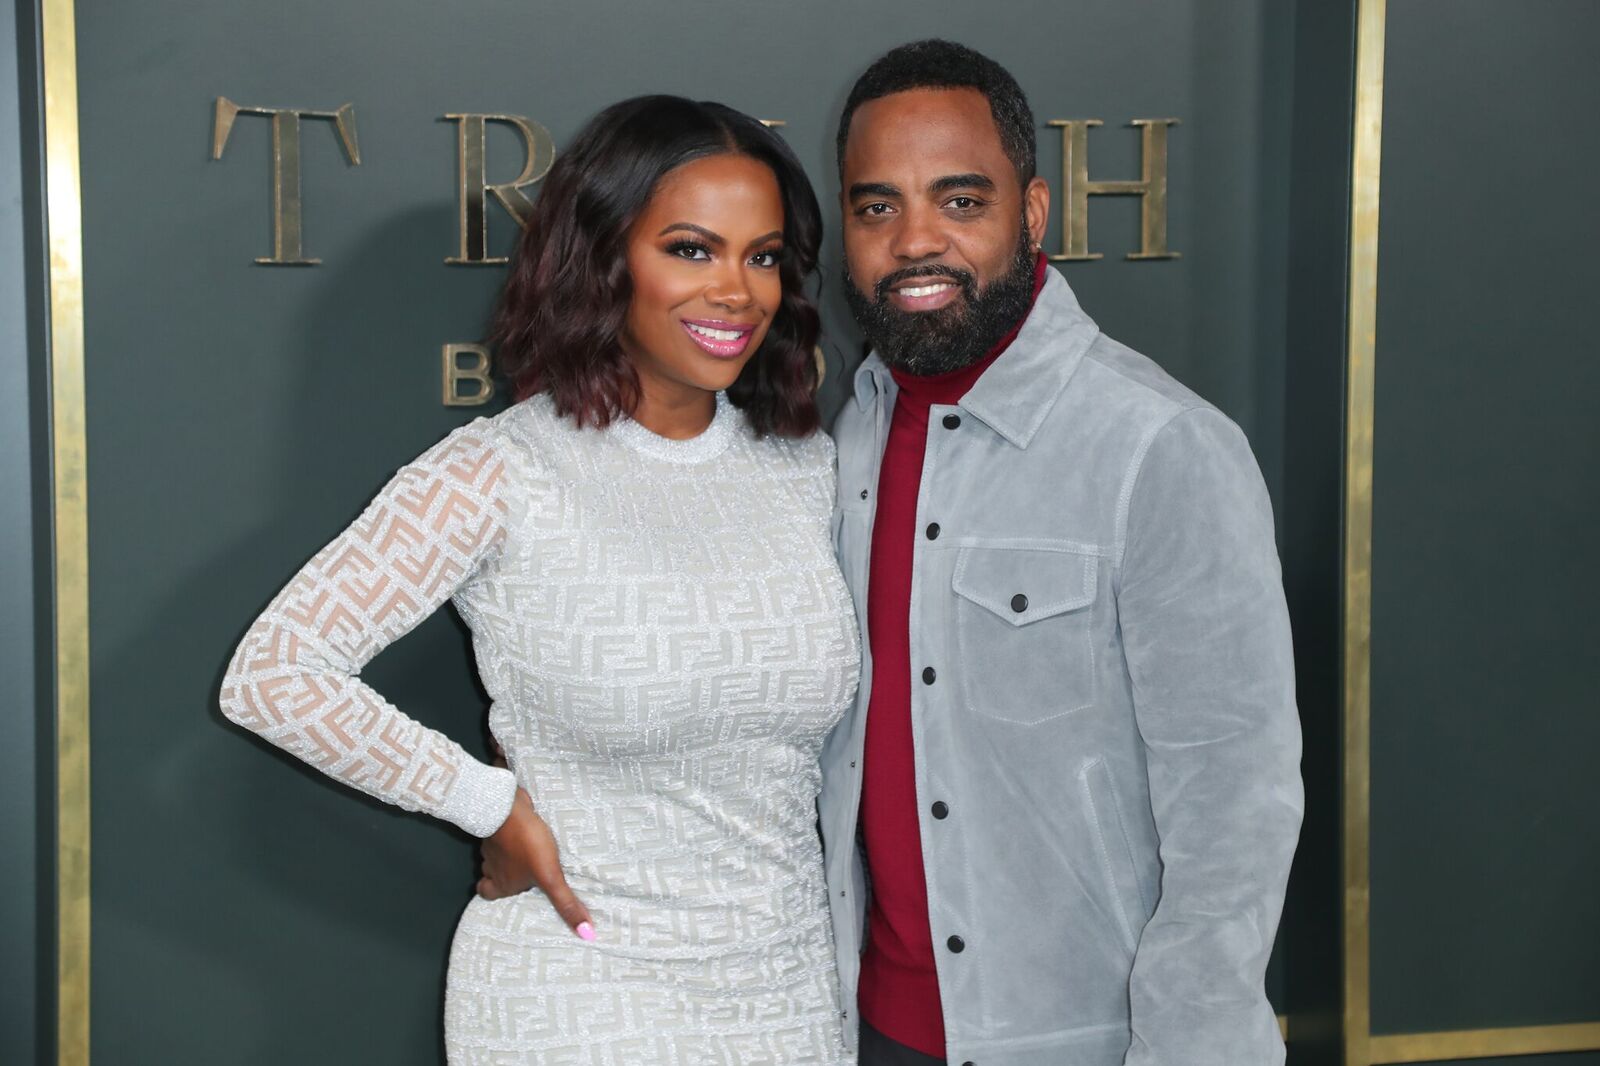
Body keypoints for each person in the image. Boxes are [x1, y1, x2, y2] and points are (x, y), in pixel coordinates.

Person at [220, 95, 859, 1064]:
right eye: (691, 248)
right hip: (578, 986)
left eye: (762, 255)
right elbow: (274, 675)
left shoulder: (808, 470)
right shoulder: (500, 472)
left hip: (787, 993)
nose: (737, 289)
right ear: (607, 258)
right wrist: (483, 802)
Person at [818, 40, 1303, 1066]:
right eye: (876, 208)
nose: (914, 242)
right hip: (865, 1031)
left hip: (1083, 1041)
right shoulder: (850, 432)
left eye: (959, 201)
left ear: (1031, 213)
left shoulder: (1159, 445)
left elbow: (1234, 813)